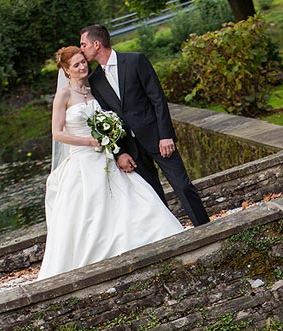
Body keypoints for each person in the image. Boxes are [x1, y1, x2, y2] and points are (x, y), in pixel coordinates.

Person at [38, 46, 184, 281]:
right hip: (82, 159)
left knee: (133, 195)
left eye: (83, 62)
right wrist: (87, 141)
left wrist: (112, 142)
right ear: (66, 70)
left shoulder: (92, 89)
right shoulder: (63, 96)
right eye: (75, 65)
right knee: (90, 210)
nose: (82, 67)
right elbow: (57, 134)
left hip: (105, 155)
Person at [80, 24, 210, 227]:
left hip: (158, 138)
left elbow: (157, 99)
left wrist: (165, 135)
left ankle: (206, 228)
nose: (82, 49)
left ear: (96, 44)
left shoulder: (135, 60)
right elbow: (105, 118)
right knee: (153, 198)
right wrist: (120, 152)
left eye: (83, 44)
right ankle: (172, 237)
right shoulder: (94, 80)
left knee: (183, 186)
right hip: (131, 148)